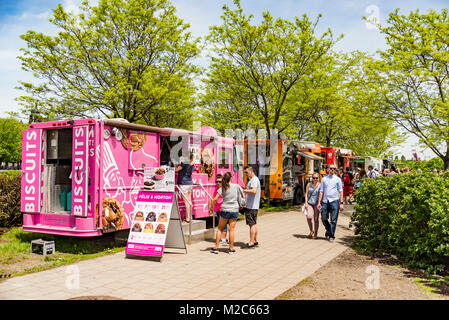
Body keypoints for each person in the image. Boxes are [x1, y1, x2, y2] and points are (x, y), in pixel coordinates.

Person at [210, 172, 240, 255]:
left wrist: (211, 206)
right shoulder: (236, 186)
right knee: (232, 230)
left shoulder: (222, 188)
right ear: (231, 178)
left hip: (225, 210)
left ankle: (216, 248)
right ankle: (231, 249)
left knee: (220, 229)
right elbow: (241, 196)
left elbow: (215, 199)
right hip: (234, 210)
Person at [317, 164, 344, 243]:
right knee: (324, 218)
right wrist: (319, 202)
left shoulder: (338, 179)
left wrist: (341, 203)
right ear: (328, 169)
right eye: (331, 168)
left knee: (333, 220)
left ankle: (331, 235)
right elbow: (321, 191)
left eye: (334, 168)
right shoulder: (324, 179)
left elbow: (340, 191)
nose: (332, 170)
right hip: (325, 201)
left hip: (335, 201)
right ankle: (329, 229)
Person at [242, 166, 261, 248]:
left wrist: (244, 190)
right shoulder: (253, 180)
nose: (246, 174)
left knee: (251, 224)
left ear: (251, 171)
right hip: (253, 206)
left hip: (251, 206)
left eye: (246, 172)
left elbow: (254, 191)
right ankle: (255, 240)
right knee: (254, 223)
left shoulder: (254, 180)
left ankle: (251, 241)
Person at [176, 152, 195, 223]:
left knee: (186, 202)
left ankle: (188, 218)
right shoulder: (192, 163)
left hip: (184, 184)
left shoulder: (184, 163)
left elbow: (176, 170)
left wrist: (175, 165)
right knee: (189, 202)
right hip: (190, 183)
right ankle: (190, 217)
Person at [209, 174, 228, 245]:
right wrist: (210, 207)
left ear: (223, 181)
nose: (218, 183)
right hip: (217, 209)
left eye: (220, 182)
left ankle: (224, 239)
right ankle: (223, 238)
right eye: (216, 181)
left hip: (223, 209)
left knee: (224, 224)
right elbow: (212, 197)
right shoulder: (216, 188)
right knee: (220, 224)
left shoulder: (224, 188)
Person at [304, 172, 321, 239]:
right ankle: (311, 231)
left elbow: (321, 194)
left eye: (316, 178)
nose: (315, 179)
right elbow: (306, 194)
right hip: (310, 203)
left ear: (319, 178)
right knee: (309, 217)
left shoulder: (320, 185)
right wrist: (306, 203)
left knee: (316, 219)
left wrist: (320, 203)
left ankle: (316, 233)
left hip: (317, 203)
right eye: (313, 178)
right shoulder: (308, 184)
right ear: (312, 178)